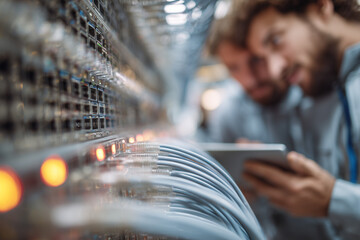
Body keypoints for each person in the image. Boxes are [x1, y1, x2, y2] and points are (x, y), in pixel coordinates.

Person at [205, 14, 344, 240]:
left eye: (256, 61)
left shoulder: (318, 93)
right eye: (234, 68)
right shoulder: (227, 115)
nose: (250, 79)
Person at [238, 0, 360, 238]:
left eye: (275, 40)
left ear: (321, 7)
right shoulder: (331, 89)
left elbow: (333, 198)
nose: (275, 71)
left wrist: (333, 200)